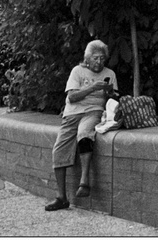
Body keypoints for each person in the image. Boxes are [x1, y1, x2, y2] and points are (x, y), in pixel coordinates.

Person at [44, 39, 118, 211]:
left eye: (102, 59)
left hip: (94, 111)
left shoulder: (110, 73)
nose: (99, 62)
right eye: (95, 58)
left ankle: (85, 181)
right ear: (88, 58)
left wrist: (109, 92)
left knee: (84, 134)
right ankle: (61, 197)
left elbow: (113, 101)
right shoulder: (77, 71)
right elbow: (71, 97)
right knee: (58, 150)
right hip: (71, 114)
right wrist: (93, 87)